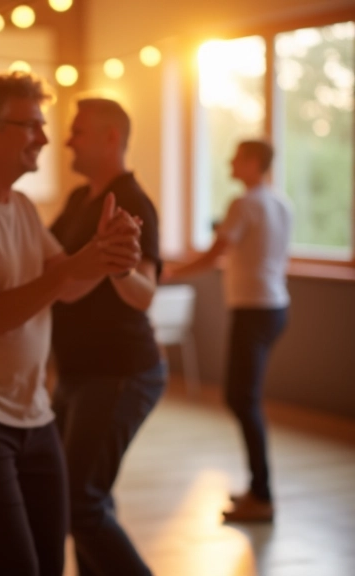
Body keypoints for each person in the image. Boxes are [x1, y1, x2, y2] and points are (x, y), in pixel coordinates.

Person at [0, 72, 143, 576]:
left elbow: (70, 286)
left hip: (34, 419)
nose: (44, 137)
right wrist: (73, 267)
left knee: (47, 568)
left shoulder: (21, 207)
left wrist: (105, 257)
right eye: (31, 125)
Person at [48, 98, 164, 576]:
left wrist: (116, 268)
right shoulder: (79, 200)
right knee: (73, 495)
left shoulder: (133, 202)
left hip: (120, 373)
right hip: (77, 375)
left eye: (78, 131)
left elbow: (145, 292)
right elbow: (51, 261)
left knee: (80, 502)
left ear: (110, 137)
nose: (67, 139)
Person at [165, 139, 292, 523]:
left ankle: (262, 495)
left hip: (254, 311)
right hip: (274, 308)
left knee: (242, 400)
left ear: (253, 163)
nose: (229, 162)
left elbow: (214, 254)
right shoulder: (280, 202)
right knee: (243, 399)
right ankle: (258, 489)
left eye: (236, 158)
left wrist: (167, 273)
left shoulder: (245, 204)